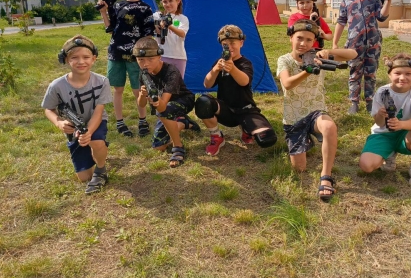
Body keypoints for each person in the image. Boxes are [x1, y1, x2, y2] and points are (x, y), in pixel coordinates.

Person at [277, 19, 339, 202]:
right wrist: (308, 71)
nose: (303, 43)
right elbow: (287, 84)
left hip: (315, 112)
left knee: (329, 127)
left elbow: (353, 54)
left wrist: (329, 52)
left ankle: (326, 177)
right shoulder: (284, 60)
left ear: (315, 41)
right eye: (299, 38)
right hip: (294, 118)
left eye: (309, 40)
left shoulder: (318, 55)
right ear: (291, 38)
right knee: (299, 169)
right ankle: (306, 140)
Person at [42, 35, 112, 194]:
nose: (81, 62)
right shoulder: (57, 86)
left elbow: (99, 111)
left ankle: (101, 169)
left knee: (96, 141)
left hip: (96, 121)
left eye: (86, 57)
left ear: (94, 59)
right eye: (74, 58)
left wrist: (89, 133)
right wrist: (59, 122)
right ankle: (95, 150)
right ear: (66, 60)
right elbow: (48, 109)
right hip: (74, 129)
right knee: (84, 177)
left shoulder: (102, 81)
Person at [194, 25, 277, 156]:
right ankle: (216, 136)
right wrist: (215, 70)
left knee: (267, 139)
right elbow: (207, 84)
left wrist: (232, 68)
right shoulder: (218, 63)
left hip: (246, 110)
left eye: (233, 43)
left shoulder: (245, 63)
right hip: (225, 110)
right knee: (203, 102)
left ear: (241, 43)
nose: (229, 47)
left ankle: (246, 129)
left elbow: (244, 81)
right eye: (225, 44)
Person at [358, 53, 411, 188]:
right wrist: (380, 115)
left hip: (406, 133)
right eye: (397, 73)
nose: (402, 78)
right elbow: (379, 123)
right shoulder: (382, 91)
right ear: (389, 75)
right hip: (384, 134)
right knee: (366, 166)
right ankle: (389, 154)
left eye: (408, 74)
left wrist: (400, 124)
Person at [98, 0, 155, 138]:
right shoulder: (117, 5)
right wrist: (103, 11)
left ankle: (143, 120)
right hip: (116, 53)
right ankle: (120, 121)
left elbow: (148, 34)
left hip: (136, 56)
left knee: (138, 90)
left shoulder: (146, 8)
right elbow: (110, 28)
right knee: (118, 89)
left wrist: (143, 55)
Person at [333, 0, 392, 114]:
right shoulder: (346, 1)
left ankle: (370, 101)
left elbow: (382, 16)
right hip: (354, 44)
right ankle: (354, 102)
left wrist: (388, 0)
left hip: (373, 43)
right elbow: (341, 22)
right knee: (355, 72)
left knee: (370, 73)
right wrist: (335, 43)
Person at [134, 36, 200, 168]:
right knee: (158, 147)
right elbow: (141, 105)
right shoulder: (143, 73)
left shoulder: (171, 71)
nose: (145, 64)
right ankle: (184, 123)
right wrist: (142, 95)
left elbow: (163, 106)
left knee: (163, 111)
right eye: (141, 60)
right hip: (164, 107)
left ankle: (178, 147)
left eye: (150, 59)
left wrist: (157, 102)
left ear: (159, 57)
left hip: (183, 100)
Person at [152, 0, 189, 77]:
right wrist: (157, 26)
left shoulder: (182, 18)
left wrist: (169, 25)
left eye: (170, 1)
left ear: (178, 1)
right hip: (161, 55)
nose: (168, 4)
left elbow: (182, 34)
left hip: (179, 57)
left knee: (178, 83)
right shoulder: (156, 16)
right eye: (165, 2)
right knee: (161, 82)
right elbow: (152, 31)